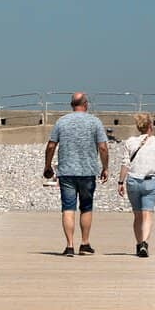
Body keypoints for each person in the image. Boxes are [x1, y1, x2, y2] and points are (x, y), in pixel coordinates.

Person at [43, 92, 109, 257]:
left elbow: (51, 146)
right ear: (85, 104)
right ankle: (85, 243)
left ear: (72, 105)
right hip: (87, 172)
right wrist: (105, 167)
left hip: (66, 172)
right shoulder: (94, 122)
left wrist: (47, 166)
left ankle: (70, 245)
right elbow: (102, 147)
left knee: (68, 208)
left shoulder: (62, 121)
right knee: (86, 207)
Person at [117, 113, 155, 257]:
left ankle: (139, 243)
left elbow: (125, 163)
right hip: (150, 181)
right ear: (150, 125)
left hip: (133, 181)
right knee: (147, 214)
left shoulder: (130, 141)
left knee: (137, 215)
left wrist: (120, 182)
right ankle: (144, 243)